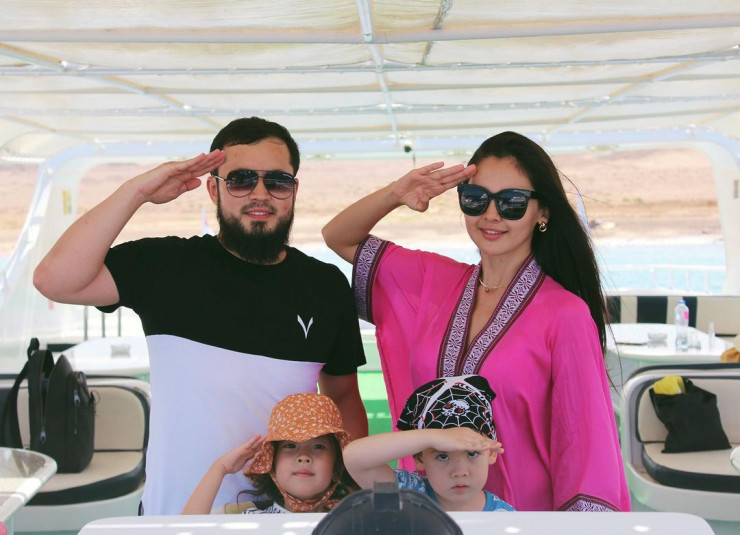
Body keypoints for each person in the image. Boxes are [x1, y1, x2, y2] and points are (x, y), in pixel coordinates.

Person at [33, 117, 368, 515]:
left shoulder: (324, 284)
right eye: (241, 180)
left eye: (277, 181)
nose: (260, 194)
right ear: (214, 188)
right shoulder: (166, 266)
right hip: (175, 517)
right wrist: (137, 192)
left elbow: (343, 397)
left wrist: (349, 498)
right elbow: (55, 280)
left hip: (288, 519)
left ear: (293, 190)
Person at [323, 131, 629, 511]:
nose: (491, 215)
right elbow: (338, 237)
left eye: (512, 202)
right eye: (475, 199)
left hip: (517, 519)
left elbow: (584, 444)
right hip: (429, 515)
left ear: (543, 212)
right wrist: (397, 193)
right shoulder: (433, 281)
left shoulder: (566, 314)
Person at [344, 375, 514, 512]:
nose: (460, 472)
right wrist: (432, 437)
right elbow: (355, 458)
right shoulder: (407, 494)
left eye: (471, 453)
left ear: (492, 453)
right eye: (442, 456)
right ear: (420, 458)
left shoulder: (505, 518)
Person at [183, 393, 357, 514]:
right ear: (271, 463)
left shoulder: (352, 521)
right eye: (290, 445)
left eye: (318, 446)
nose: (304, 457)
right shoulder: (248, 520)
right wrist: (220, 468)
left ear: (337, 467)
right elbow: (187, 530)